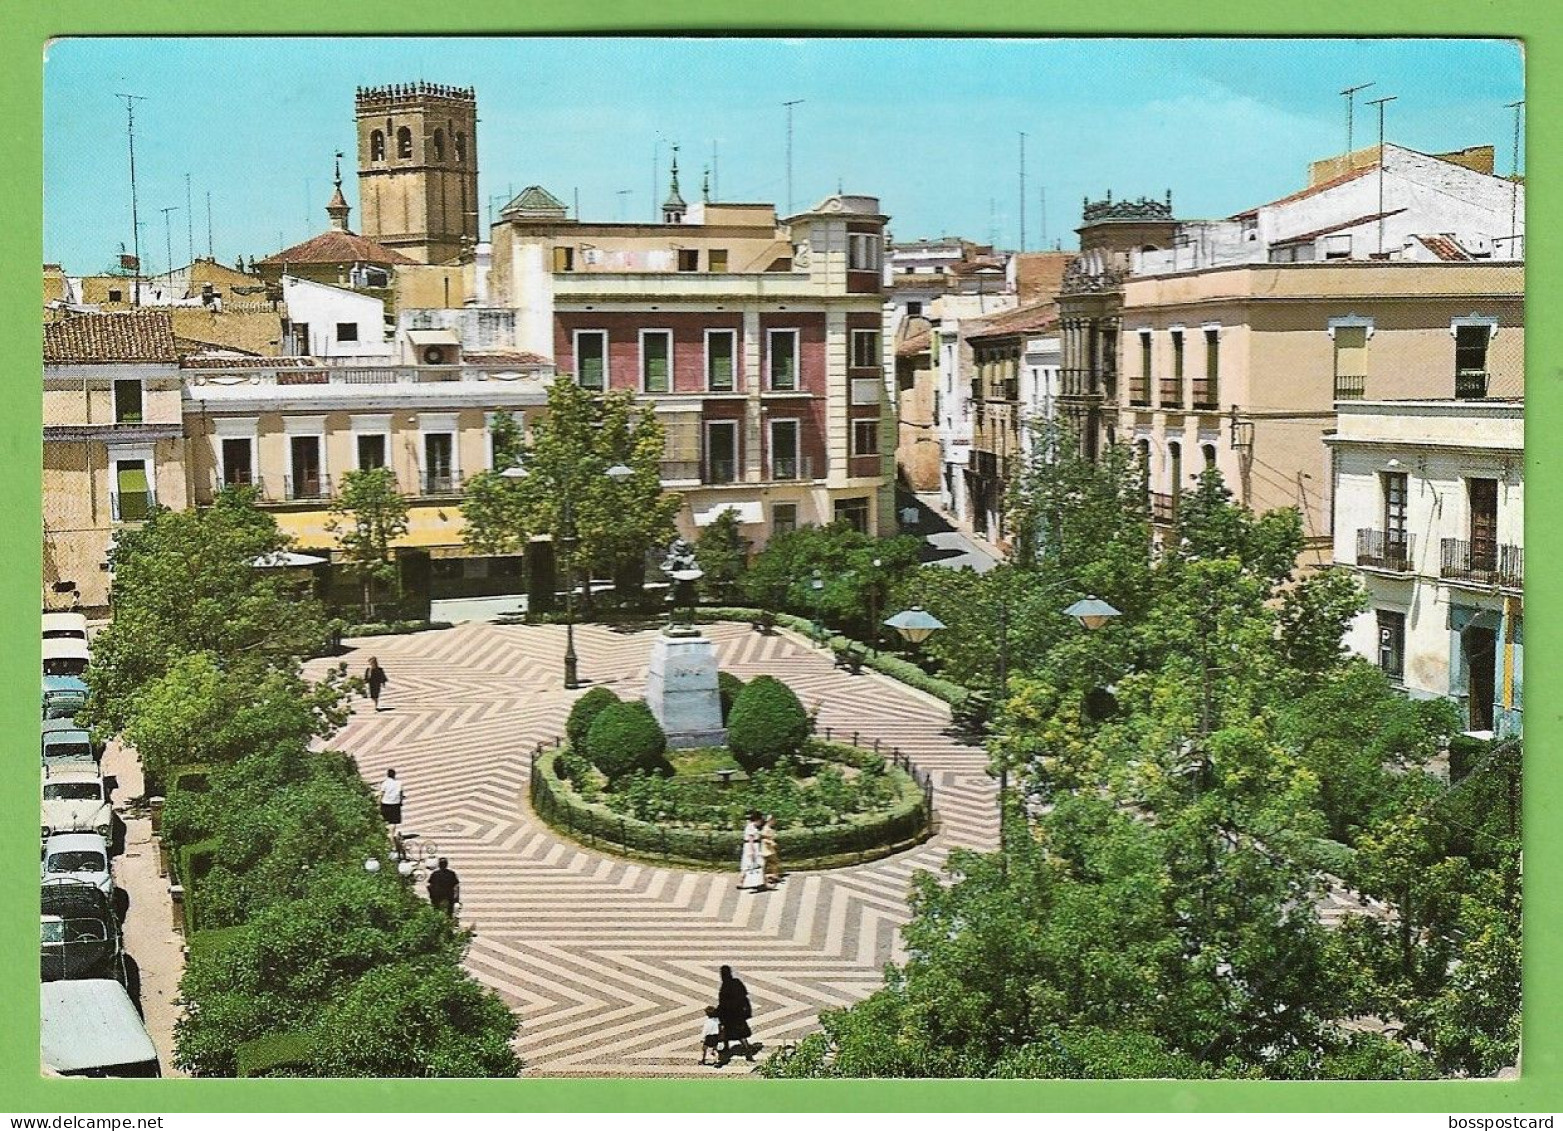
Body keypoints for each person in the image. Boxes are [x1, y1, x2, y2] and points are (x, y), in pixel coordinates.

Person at [716, 965, 755, 1064]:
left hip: (730, 1014)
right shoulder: (736, 983)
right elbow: (744, 996)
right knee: (739, 1034)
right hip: (737, 1013)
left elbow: (723, 1002)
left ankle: (739, 1049)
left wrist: (719, 1012)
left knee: (729, 1032)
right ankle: (746, 1050)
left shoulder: (725, 986)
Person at [738, 810, 767, 892]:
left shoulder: (751, 826)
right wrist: (752, 851)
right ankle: (761, 882)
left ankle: (741, 882)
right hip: (753, 846)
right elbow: (751, 839)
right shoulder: (751, 827)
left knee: (747, 864)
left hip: (751, 846)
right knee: (759, 863)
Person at [761, 814, 782, 886]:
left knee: (772, 863)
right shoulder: (766, 828)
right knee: (773, 862)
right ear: (770, 820)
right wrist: (772, 843)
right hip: (767, 850)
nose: (775, 821)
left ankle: (774, 876)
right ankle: (774, 877)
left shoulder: (768, 828)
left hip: (769, 849)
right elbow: (764, 838)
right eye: (773, 820)